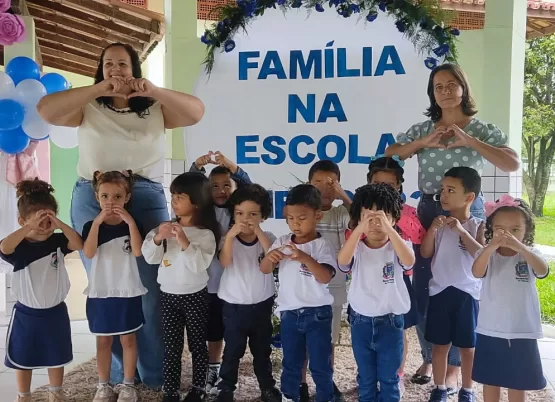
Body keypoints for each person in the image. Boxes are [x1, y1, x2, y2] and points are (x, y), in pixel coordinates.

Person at [37, 42, 205, 389]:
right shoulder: (88, 105)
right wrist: (101, 88)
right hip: (92, 194)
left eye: (123, 64)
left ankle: (156, 375)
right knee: (106, 287)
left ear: (135, 69)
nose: (116, 69)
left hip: (144, 194)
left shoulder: (155, 106)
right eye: (108, 64)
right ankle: (116, 376)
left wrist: (153, 89)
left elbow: (196, 112)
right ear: (100, 69)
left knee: (148, 288)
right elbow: (46, 110)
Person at [385, 63, 520, 391]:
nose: (444, 91)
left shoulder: (480, 128)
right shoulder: (423, 128)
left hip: (467, 210)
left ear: (463, 88)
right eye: (438, 86)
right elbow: (391, 154)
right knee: (425, 287)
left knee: (463, 288)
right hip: (428, 210)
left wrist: (469, 141)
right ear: (432, 92)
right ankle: (432, 356)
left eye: (450, 84)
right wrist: (424, 142)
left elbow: (511, 162)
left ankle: (457, 367)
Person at [0, 179, 83, 402]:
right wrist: (29, 227)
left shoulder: (57, 241)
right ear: (22, 221)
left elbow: (78, 244)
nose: (44, 226)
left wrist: (58, 222)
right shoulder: (18, 246)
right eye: (39, 220)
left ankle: (56, 392)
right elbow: (3, 247)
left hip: (55, 312)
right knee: (22, 356)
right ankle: (23, 395)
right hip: (27, 314)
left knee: (56, 355)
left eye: (49, 221)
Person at [142, 172, 219, 402]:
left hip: (195, 295)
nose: (174, 200)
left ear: (195, 201)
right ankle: (171, 391)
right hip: (168, 295)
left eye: (180, 196)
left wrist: (184, 240)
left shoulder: (205, 234)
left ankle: (198, 388)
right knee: (171, 347)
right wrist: (158, 239)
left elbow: (200, 264)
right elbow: (149, 257)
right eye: (173, 195)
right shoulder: (164, 228)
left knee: (197, 344)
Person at [338, 183, 415, 402]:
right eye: (367, 217)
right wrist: (358, 230)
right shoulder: (357, 248)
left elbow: (409, 261)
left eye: (382, 216)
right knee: (366, 378)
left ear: (393, 219)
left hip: (391, 323)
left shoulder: (400, 246)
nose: (374, 223)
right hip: (361, 322)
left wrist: (390, 230)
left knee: (389, 378)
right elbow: (342, 262)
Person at [261, 184, 337, 402]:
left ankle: (326, 397)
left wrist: (304, 257)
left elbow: (325, 277)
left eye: (302, 218)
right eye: (291, 218)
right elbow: (264, 269)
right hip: (289, 314)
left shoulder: (322, 245)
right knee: (291, 362)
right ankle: (289, 397)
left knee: (320, 364)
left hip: (318, 314)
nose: (296, 223)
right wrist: (270, 257)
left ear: (318, 215)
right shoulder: (283, 241)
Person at [472, 196, 549, 402]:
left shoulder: (530, 254)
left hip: (522, 330)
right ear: (491, 230)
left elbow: (542, 270)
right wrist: (489, 247)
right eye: (500, 229)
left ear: (526, 231)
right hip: (490, 328)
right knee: (491, 379)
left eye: (515, 230)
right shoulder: (486, 254)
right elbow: (477, 272)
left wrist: (521, 248)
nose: (507, 235)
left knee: (518, 381)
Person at [420, 167, 484, 402]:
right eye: (442, 190)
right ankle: (439, 387)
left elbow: (480, 255)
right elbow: (426, 253)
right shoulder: (439, 224)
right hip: (440, 292)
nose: (443, 195)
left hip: (467, 294)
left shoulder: (478, 225)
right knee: (439, 345)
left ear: (469, 197)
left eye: (450, 190)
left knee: (468, 348)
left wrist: (460, 230)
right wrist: (433, 229)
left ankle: (467, 389)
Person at [189, 151, 252, 393]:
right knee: (212, 330)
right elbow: (191, 183)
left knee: (234, 332)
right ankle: (212, 368)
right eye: (214, 186)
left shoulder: (239, 209)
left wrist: (228, 164)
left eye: (227, 185)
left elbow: (248, 184)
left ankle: (228, 371)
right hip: (209, 284)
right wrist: (197, 164)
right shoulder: (202, 210)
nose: (221, 190)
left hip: (234, 284)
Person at [82, 171, 147, 402]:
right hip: (101, 292)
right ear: (97, 198)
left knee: (128, 340)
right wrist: (98, 222)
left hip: (128, 289)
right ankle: (103, 385)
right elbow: (88, 252)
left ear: (127, 198)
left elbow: (139, 252)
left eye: (117, 196)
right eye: (105, 196)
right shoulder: (92, 225)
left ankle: (128, 385)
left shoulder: (133, 223)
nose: (111, 202)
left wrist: (130, 222)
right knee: (103, 341)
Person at [215, 184, 281, 402]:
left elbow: (271, 259)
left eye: (253, 214)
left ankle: (267, 387)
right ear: (233, 214)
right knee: (232, 350)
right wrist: (232, 237)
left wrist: (258, 231)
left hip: (261, 304)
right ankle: (225, 388)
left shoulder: (268, 237)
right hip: (233, 305)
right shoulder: (228, 239)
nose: (246, 219)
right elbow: (225, 262)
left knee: (262, 351)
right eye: (240, 213)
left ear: (263, 216)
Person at [366, 155, 425, 397]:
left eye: (389, 185)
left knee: (398, 331)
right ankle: (370, 377)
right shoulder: (363, 210)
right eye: (377, 184)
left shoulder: (408, 211)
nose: (383, 189)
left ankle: (396, 375)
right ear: (369, 183)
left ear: (399, 186)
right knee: (369, 331)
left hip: (398, 279)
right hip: (368, 279)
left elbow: (418, 237)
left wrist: (392, 215)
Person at [305, 159, 352, 402]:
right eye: (318, 182)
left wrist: (343, 195)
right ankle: (301, 384)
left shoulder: (341, 213)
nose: (325, 187)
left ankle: (327, 381)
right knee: (303, 340)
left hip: (333, 286)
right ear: (308, 184)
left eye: (331, 183)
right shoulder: (304, 213)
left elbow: (359, 220)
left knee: (329, 339)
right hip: (304, 288)